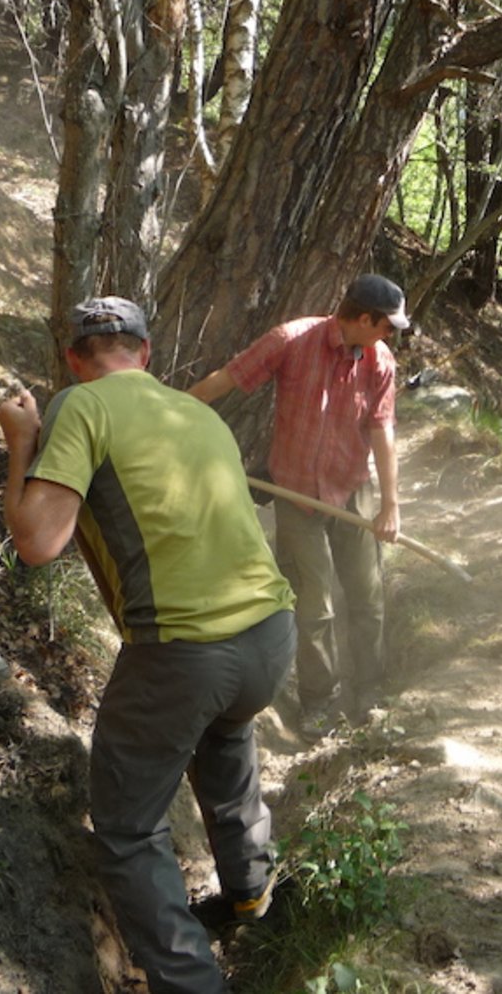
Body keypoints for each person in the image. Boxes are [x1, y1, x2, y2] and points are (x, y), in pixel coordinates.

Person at [0, 296, 297, 994]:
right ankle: (254, 899)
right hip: (268, 637)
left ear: (74, 358)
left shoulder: (79, 405)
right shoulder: (199, 413)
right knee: (225, 741)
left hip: (185, 654)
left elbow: (38, 542)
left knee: (128, 829)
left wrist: (20, 443)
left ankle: (193, 983)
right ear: (146, 352)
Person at [189, 274, 405, 740]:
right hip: (296, 495)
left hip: (353, 489)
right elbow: (230, 377)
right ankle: (319, 703)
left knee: (367, 595)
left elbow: (382, 432)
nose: (392, 335)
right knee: (315, 604)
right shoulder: (292, 339)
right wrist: (173, 412)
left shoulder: (380, 360)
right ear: (365, 319)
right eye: (388, 325)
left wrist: (390, 505)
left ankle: (369, 692)